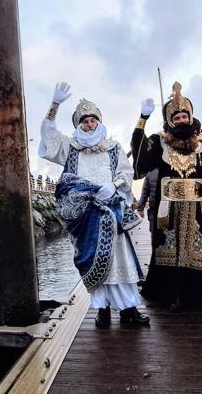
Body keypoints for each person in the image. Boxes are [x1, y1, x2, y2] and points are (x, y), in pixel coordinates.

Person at [39, 82, 149, 327]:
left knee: (120, 260)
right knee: (89, 258)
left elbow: (126, 172)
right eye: (84, 122)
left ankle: (129, 310)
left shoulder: (113, 147)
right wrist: (55, 104)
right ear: (79, 125)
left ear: (99, 122)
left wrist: (115, 184)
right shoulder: (70, 147)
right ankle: (102, 310)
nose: (89, 125)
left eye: (93, 121)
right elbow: (48, 135)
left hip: (111, 210)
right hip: (85, 215)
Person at [131, 82, 202, 311]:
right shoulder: (160, 142)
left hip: (198, 206)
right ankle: (174, 295)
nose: (182, 120)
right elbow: (140, 160)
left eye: (185, 116)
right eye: (177, 118)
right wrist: (142, 119)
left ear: (191, 117)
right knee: (171, 250)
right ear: (170, 121)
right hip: (169, 208)